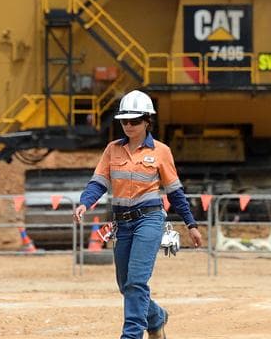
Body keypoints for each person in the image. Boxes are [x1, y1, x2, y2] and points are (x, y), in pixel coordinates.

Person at [73, 89, 203, 339]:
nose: (129, 126)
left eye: (134, 121)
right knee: (126, 285)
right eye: (124, 121)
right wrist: (84, 203)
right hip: (122, 224)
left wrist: (191, 224)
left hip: (150, 220)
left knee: (137, 281)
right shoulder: (112, 150)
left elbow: (175, 192)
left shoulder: (161, 151)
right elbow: (98, 182)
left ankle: (131, 335)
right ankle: (156, 318)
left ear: (147, 121)